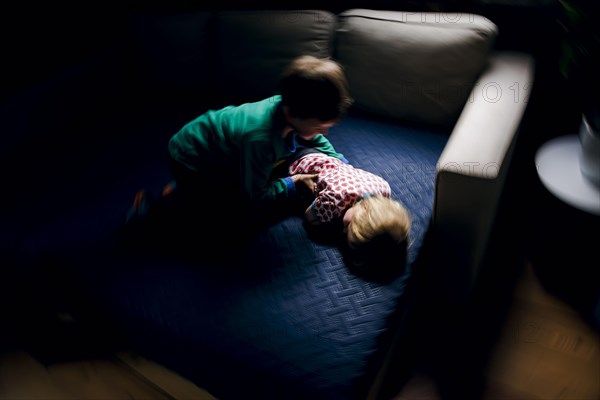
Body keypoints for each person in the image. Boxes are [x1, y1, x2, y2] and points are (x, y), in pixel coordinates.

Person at [123, 55, 353, 252]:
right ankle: (150, 210)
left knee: (248, 176)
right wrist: (293, 181)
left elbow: (316, 138)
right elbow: (255, 196)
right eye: (320, 125)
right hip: (190, 158)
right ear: (294, 114)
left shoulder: (288, 108)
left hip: (217, 148)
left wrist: (339, 163)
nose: (324, 131)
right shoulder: (260, 139)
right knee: (224, 216)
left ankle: (184, 189)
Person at [286, 148, 412, 274]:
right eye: (348, 225)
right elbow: (310, 216)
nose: (344, 230)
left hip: (328, 159)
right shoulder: (333, 202)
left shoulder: (384, 189)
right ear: (364, 207)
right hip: (301, 162)